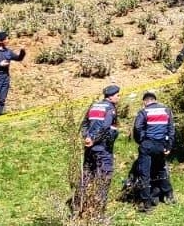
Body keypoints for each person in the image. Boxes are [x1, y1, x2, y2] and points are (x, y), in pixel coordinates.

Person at [75, 84, 121, 213]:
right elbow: (105, 127)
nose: (119, 98)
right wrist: (94, 139)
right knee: (104, 176)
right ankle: (100, 208)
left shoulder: (94, 106)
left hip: (89, 148)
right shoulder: (110, 109)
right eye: (118, 95)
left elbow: (84, 124)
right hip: (103, 148)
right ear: (111, 97)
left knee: (87, 175)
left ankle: (79, 204)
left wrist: (87, 138)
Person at [132, 90, 176, 213]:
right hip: (161, 145)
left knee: (144, 173)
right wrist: (169, 146)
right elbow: (171, 129)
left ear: (145, 102)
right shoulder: (166, 110)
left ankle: (146, 203)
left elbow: (137, 127)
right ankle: (169, 195)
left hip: (148, 144)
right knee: (161, 168)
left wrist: (141, 140)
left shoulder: (144, 111)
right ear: (155, 100)